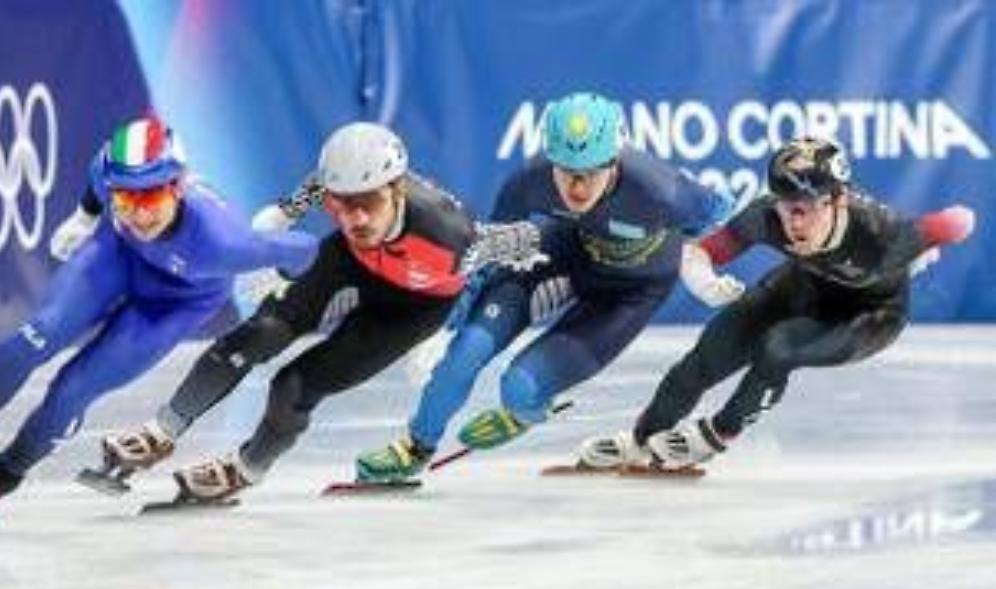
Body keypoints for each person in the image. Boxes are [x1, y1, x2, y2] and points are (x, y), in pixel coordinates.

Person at [0, 117, 319, 515]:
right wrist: (85, 215)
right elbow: (99, 172)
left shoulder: (223, 243)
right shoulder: (112, 180)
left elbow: (305, 249)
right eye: (125, 198)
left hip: (174, 303)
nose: (139, 212)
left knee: (74, 388)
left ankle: (3, 473)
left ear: (179, 187)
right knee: (38, 333)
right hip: (117, 255)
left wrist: (279, 275)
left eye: (150, 196)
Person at [95, 121, 545, 503]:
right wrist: (287, 213)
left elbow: (510, 242)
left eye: (368, 203)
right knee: (259, 333)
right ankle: (161, 431)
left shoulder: (450, 234)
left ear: (396, 189)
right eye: (341, 205)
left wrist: (451, 328)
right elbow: (320, 183)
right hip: (353, 262)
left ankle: (249, 467)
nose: (355, 218)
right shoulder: (345, 203)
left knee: (294, 385)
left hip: (415, 307)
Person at [353, 91, 736, 483]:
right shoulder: (529, 181)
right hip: (564, 252)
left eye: (590, 172)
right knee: (464, 353)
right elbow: (485, 257)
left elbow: (724, 210)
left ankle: (526, 411)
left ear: (615, 160)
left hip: (628, 295)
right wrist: (445, 325)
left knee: (518, 390)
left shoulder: (661, 192)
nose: (577, 187)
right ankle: (416, 446)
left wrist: (699, 261)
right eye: (566, 170)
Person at [575, 136, 975, 471]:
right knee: (708, 353)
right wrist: (703, 282)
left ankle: (717, 433)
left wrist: (931, 238)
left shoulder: (882, 232)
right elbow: (699, 253)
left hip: (870, 313)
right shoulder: (767, 217)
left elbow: (960, 221)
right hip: (804, 286)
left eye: (802, 209)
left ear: (837, 201)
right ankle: (642, 439)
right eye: (784, 206)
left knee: (779, 348)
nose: (792, 223)